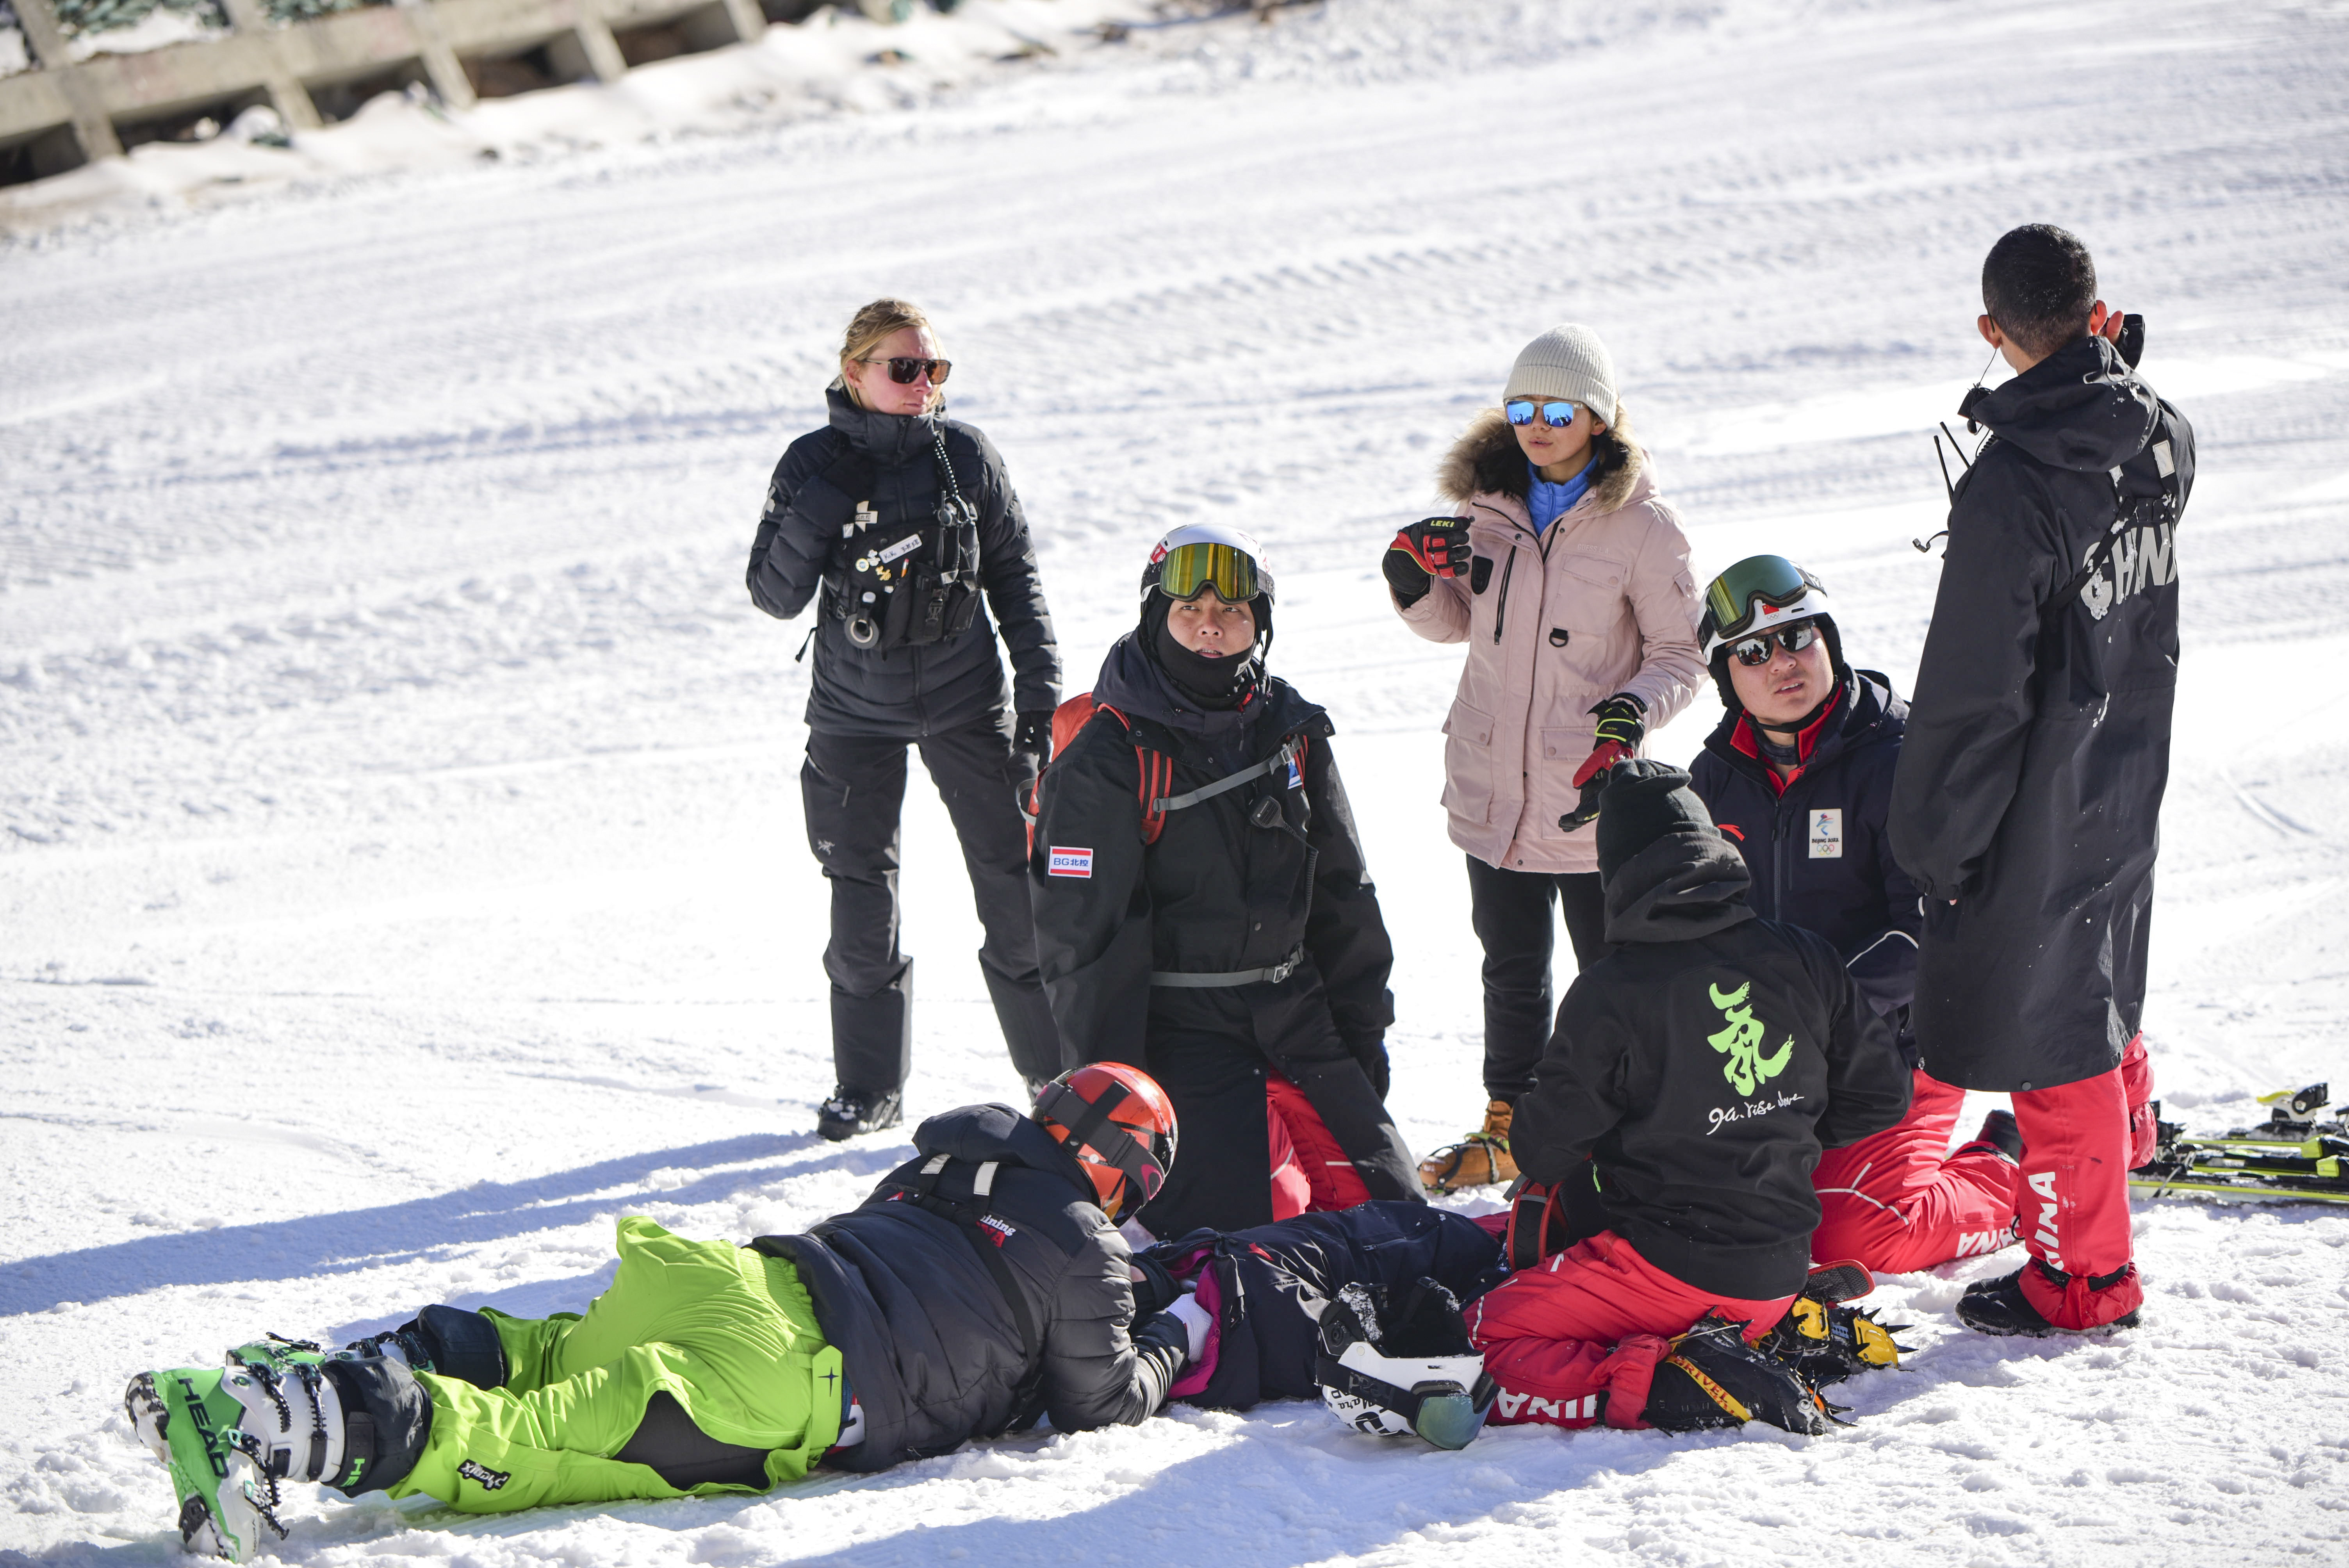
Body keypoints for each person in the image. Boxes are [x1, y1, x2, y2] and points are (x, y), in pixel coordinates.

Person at [126, 1065, 1206, 1561]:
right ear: (1124, 1176)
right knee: (521, 1443)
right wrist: (1177, 1333)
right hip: (788, 1380)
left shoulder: (942, 1160)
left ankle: (303, 1382)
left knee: (523, 1356)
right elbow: (1100, 1401)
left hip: (733, 1278)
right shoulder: (1087, 1241)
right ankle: (253, 1419)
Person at [1889, 225, 2190, 1336]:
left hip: (2042, 789)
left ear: (1992, 333)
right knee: (2101, 978)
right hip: (2125, 759)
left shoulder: (2015, 487)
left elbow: (1974, 693)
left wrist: (1934, 844)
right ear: (2097, 311)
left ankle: (2086, 1281)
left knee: (2047, 1032)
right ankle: (2133, 1134)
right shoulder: (2159, 434)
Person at [1462, 763, 1912, 1433]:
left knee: (1480, 1337)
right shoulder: (1805, 955)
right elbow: (1881, 1099)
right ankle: (1764, 1334)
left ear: (1616, 871)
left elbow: (1541, 1149)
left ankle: (1672, 1385)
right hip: (1782, 1262)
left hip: (1673, 1269)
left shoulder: (1614, 991)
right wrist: (1775, 1128)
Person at [1027, 523, 1422, 1239]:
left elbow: (1344, 892)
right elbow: (1085, 943)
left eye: (1233, 614)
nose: (1211, 629)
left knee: (1401, 1224)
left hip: (1294, 1009)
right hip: (1181, 1031)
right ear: (1157, 616)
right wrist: (1113, 1092)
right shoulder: (1108, 756)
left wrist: (1362, 1036)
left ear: (1258, 625)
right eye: (1190, 613)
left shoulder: (1291, 729)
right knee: (1237, 1250)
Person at [1383, 324, 1705, 1194]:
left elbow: (1682, 654)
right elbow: (1454, 622)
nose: (1536, 424)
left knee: (1606, 973)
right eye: (1521, 407)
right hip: (1493, 781)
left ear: (1596, 417)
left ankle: (1613, 1128)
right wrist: (1410, 578)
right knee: (1510, 965)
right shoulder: (1484, 507)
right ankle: (1509, 1126)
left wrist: (1626, 720)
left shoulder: (1641, 526)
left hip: (1587, 794)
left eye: (1556, 408)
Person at [747, 298, 1064, 1139]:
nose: (922, 384)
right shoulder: (810, 462)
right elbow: (773, 596)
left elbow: (1015, 580)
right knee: (859, 906)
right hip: (853, 718)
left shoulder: (965, 455)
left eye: (934, 369)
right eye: (903, 368)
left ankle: (1054, 1076)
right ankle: (868, 1089)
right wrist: (822, 503)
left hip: (967, 705)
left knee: (1015, 890)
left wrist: (1038, 700)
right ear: (854, 372)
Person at [1688, 555, 2024, 1274]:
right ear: (1727, 677)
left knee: (1855, 1237)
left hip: (1898, 1050)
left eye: (1798, 636)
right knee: (1702, 1208)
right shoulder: (1712, 781)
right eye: (1753, 651)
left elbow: (1926, 927)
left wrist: (1819, 1012)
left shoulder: (1904, 757)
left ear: (1829, 641)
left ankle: (2009, 1173)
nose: (1782, 661)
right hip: (1767, 1058)